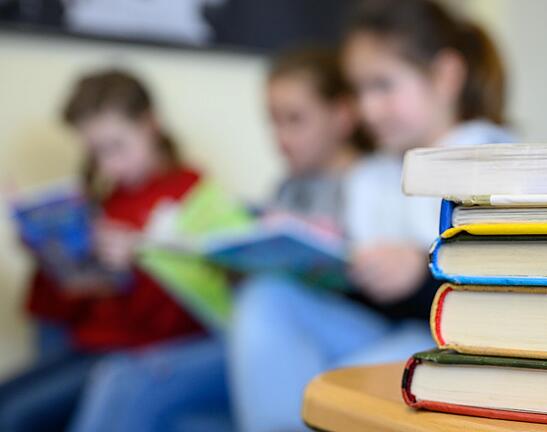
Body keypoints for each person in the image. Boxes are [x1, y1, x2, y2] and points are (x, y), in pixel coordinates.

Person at [228, 1, 516, 430]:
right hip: (382, 327)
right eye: (360, 90)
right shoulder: (370, 175)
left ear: (446, 75)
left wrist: (420, 271)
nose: (368, 108)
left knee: (333, 382)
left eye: (383, 86)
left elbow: (510, 289)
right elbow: (366, 290)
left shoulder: (492, 157)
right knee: (266, 297)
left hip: (453, 340)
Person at [67, 48, 373, 432]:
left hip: (322, 326)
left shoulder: (369, 185)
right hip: (261, 328)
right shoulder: (284, 191)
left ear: (342, 115)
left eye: (294, 120)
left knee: (128, 379)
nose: (280, 137)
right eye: (273, 122)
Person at [0, 69, 205, 431]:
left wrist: (140, 261)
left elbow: (188, 314)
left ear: (150, 125)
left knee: (13, 416)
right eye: (96, 153)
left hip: (137, 354)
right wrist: (48, 253)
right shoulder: (107, 200)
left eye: (116, 147)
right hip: (88, 345)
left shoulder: (192, 196)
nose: (108, 165)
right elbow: (73, 306)